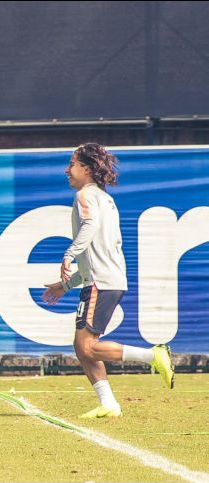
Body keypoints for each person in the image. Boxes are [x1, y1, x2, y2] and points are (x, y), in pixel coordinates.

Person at [42, 143, 174, 418]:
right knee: (83, 347)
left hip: (102, 283)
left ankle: (154, 356)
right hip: (106, 279)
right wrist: (65, 285)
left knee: (86, 346)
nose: (67, 170)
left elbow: (89, 229)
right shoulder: (105, 199)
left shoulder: (85, 196)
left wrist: (68, 255)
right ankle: (108, 403)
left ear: (86, 169)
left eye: (72, 164)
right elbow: (97, 253)